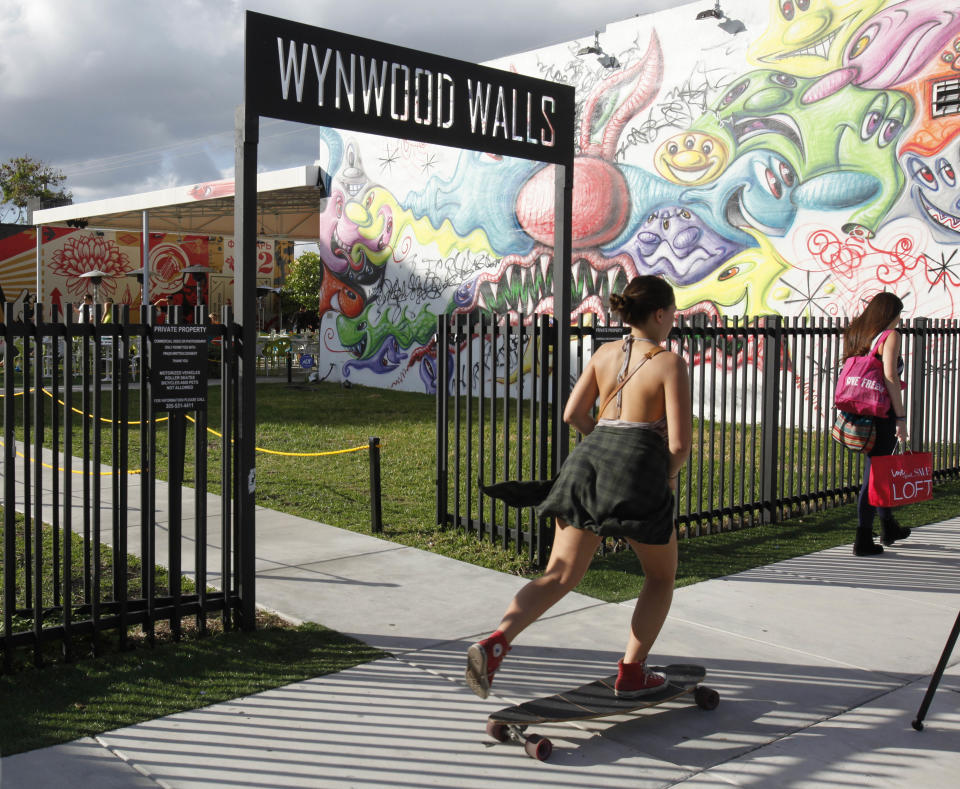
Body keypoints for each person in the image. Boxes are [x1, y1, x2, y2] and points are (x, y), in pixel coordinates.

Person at [466, 275, 692, 700]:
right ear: (660, 314)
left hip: (585, 464)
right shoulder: (669, 362)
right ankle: (631, 671)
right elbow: (678, 445)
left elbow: (574, 413)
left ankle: (495, 642)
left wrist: (603, 446)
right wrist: (667, 475)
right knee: (661, 576)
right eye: (673, 313)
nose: (673, 321)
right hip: (639, 474)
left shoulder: (604, 353)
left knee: (559, 574)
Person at [842, 291, 912, 556]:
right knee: (873, 476)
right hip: (881, 414)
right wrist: (901, 418)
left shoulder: (857, 333)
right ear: (889, 314)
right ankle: (862, 538)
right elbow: (890, 376)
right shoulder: (889, 336)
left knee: (879, 471)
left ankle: (888, 526)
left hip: (860, 411)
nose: (899, 320)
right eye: (898, 314)